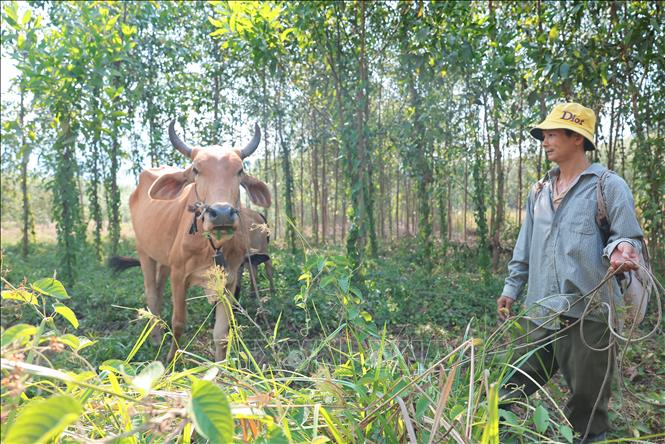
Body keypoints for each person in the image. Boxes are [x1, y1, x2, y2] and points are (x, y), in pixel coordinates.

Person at [497, 103, 643, 443]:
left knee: (587, 410)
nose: (545, 142)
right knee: (510, 385)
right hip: (541, 312)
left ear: (577, 138)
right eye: (544, 136)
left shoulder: (608, 187)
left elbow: (627, 236)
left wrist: (622, 250)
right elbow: (525, 246)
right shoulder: (539, 191)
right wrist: (511, 287)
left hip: (588, 318)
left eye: (552, 135)